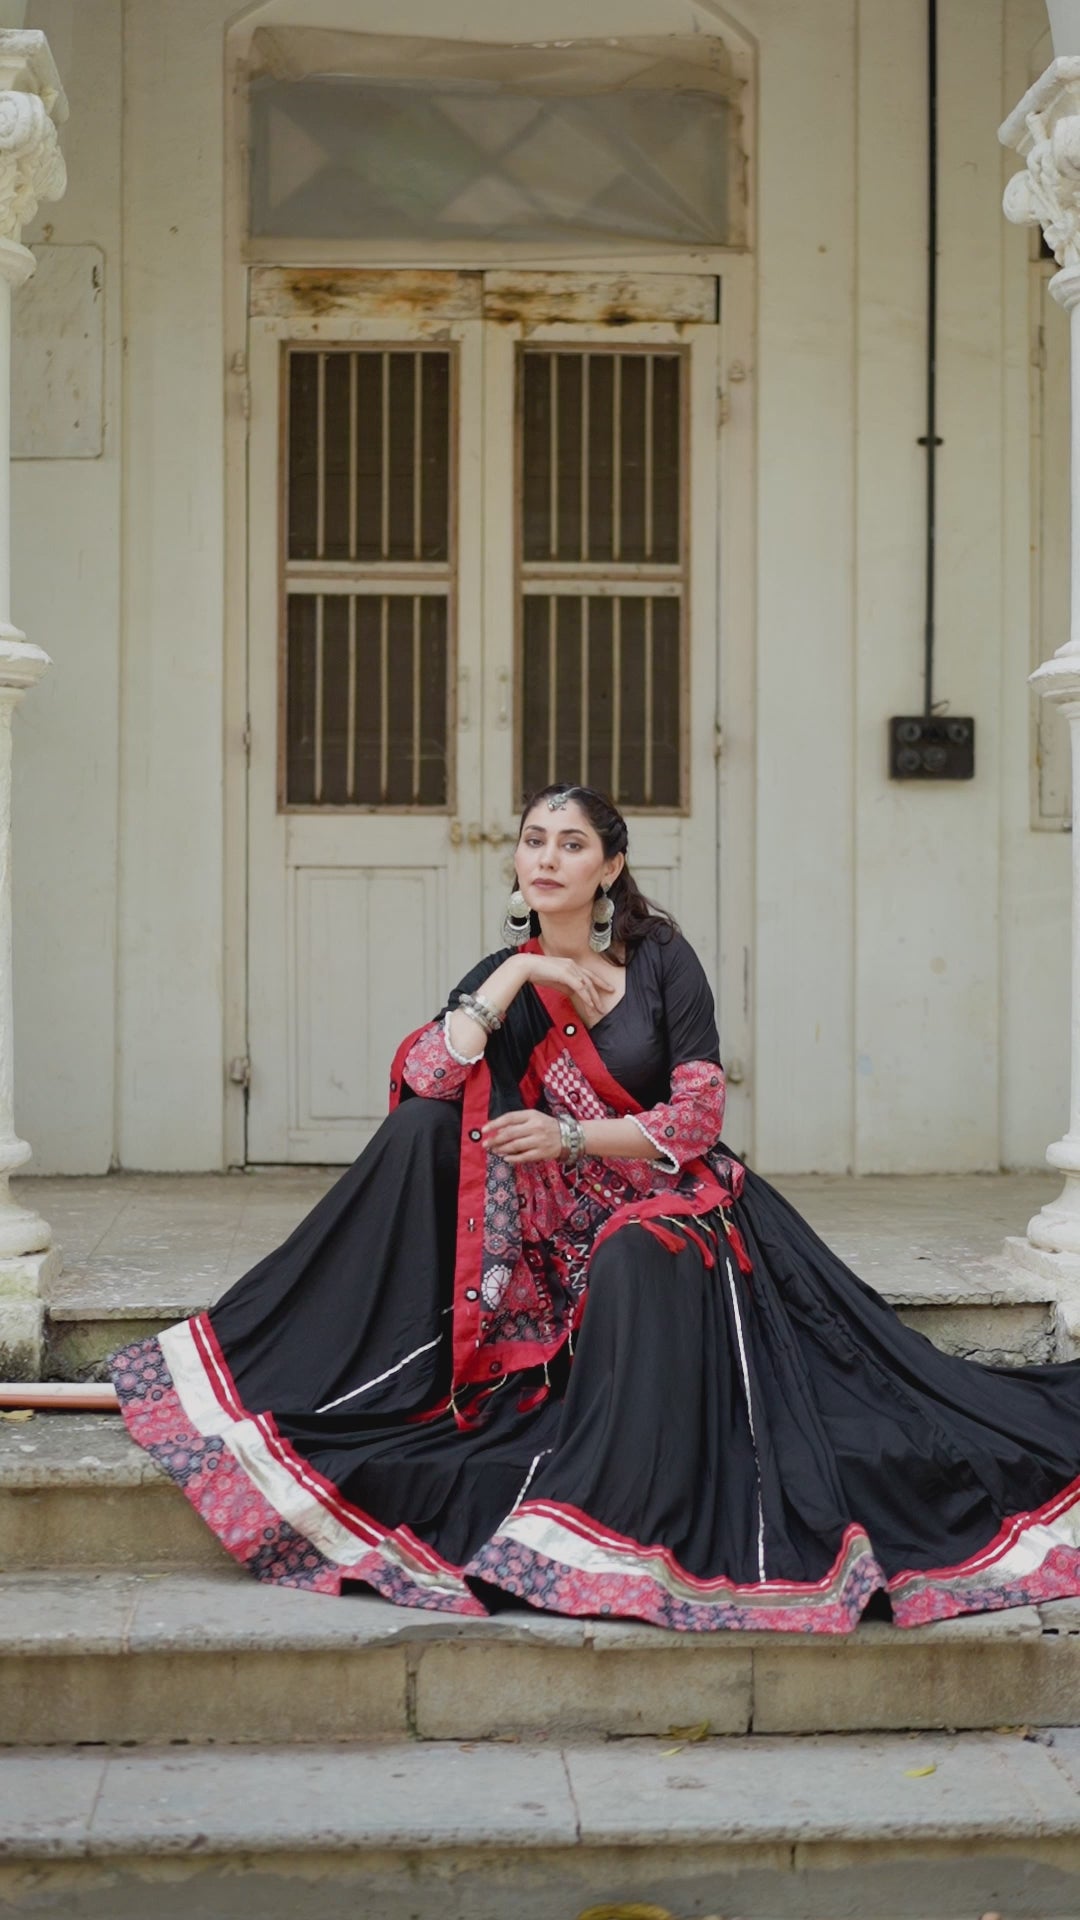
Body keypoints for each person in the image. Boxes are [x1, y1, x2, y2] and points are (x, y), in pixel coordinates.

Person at [110, 784, 1080, 1631]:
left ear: (611, 866)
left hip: (674, 1203)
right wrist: (517, 975)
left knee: (634, 1249)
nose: (548, 858)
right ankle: (322, 1356)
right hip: (548, 1233)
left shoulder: (661, 963)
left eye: (572, 843)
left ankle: (616, 1499)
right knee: (420, 1136)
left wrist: (573, 1139)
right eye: (534, 840)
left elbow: (696, 1119)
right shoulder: (511, 977)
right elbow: (422, 1076)